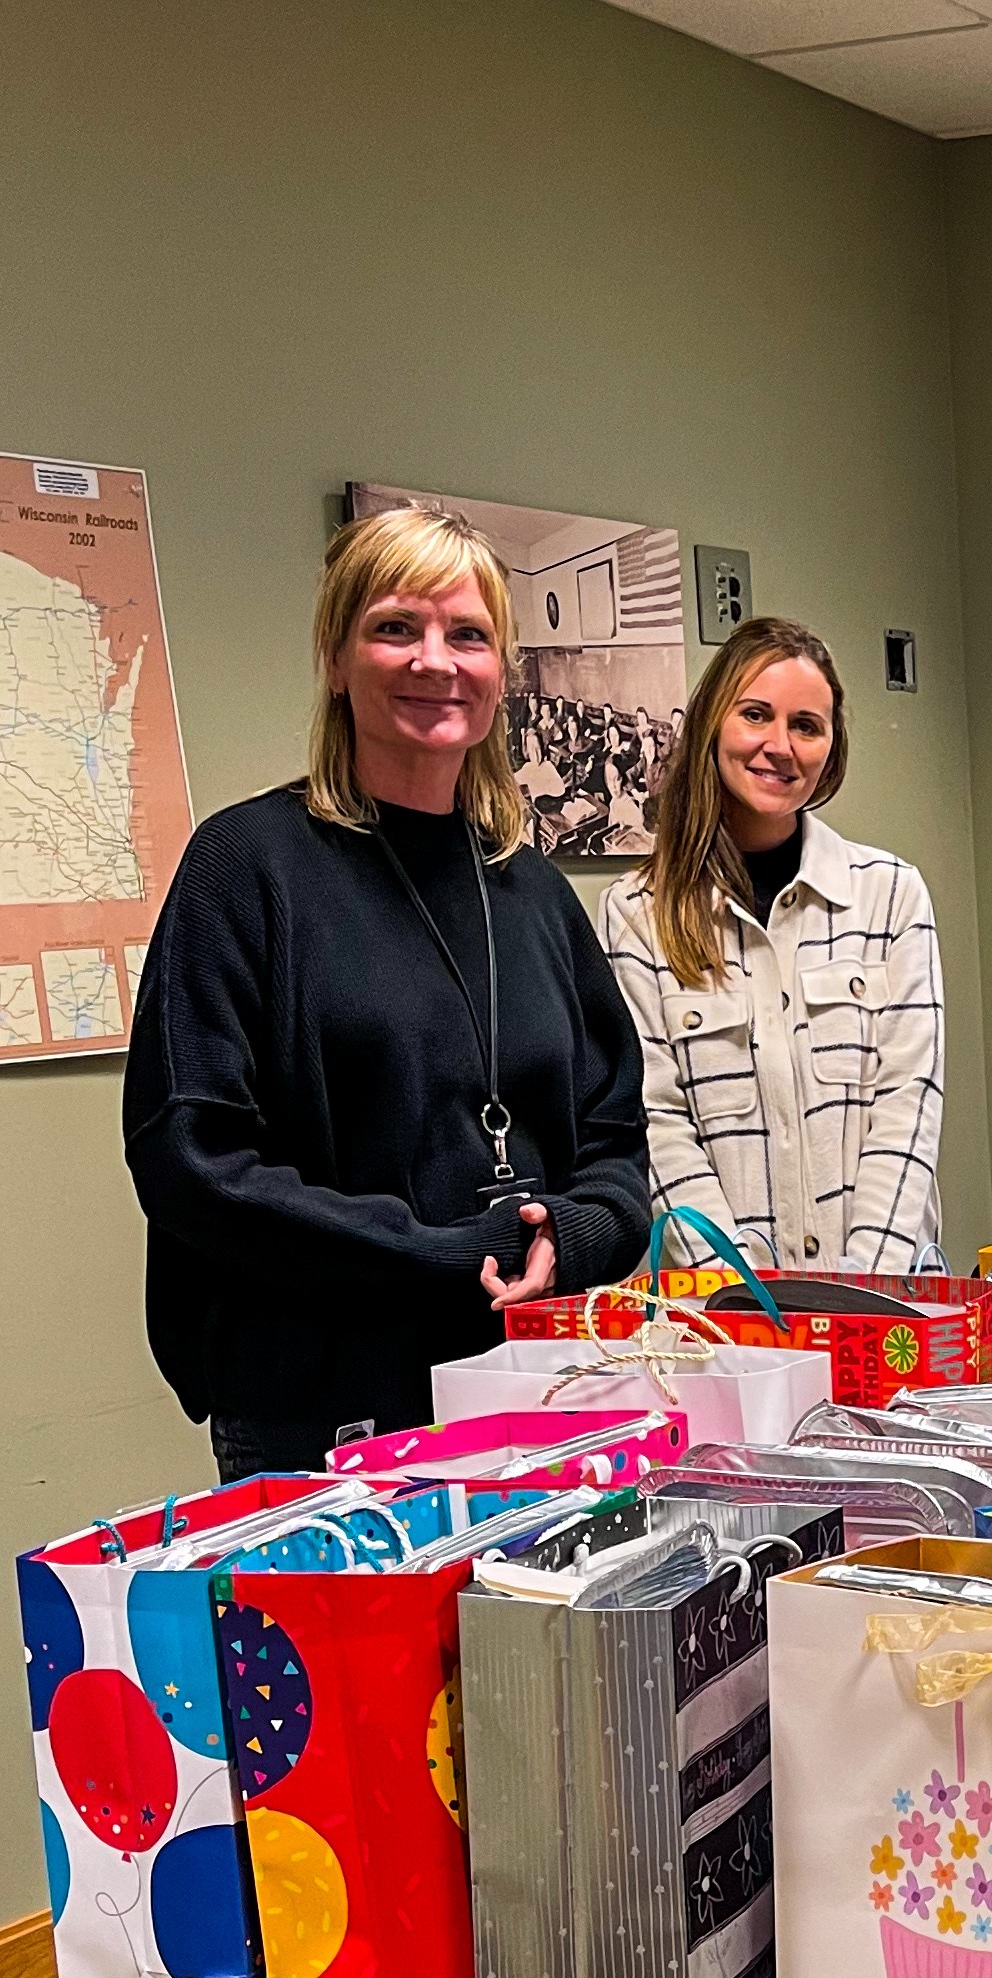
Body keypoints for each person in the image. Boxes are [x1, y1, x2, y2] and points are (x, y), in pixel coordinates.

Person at [125, 505, 650, 1479]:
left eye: (469, 635)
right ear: (336, 658)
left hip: (529, 1395)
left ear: (502, 672)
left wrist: (570, 1237)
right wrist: (438, 1252)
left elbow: (615, 1143)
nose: (435, 661)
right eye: (395, 628)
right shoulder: (248, 869)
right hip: (319, 1422)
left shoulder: (528, 888)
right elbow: (190, 1160)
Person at [598, 616, 943, 1275]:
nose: (779, 745)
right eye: (756, 715)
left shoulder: (891, 894)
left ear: (831, 746)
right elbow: (658, 1122)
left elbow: (909, 1106)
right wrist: (740, 1296)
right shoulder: (637, 912)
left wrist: (856, 1297)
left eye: (806, 726)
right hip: (723, 1318)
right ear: (712, 725)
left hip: (887, 1301)